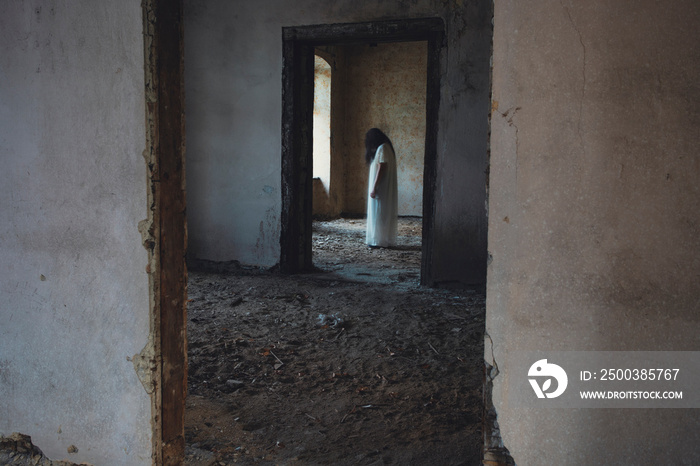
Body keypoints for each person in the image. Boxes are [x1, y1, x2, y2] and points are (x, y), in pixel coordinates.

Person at [364, 128, 398, 247]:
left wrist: (374, 187)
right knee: (382, 212)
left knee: (379, 212)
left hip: (381, 187)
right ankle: (382, 239)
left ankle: (378, 240)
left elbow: (382, 167)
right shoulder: (387, 147)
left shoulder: (382, 148)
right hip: (383, 186)